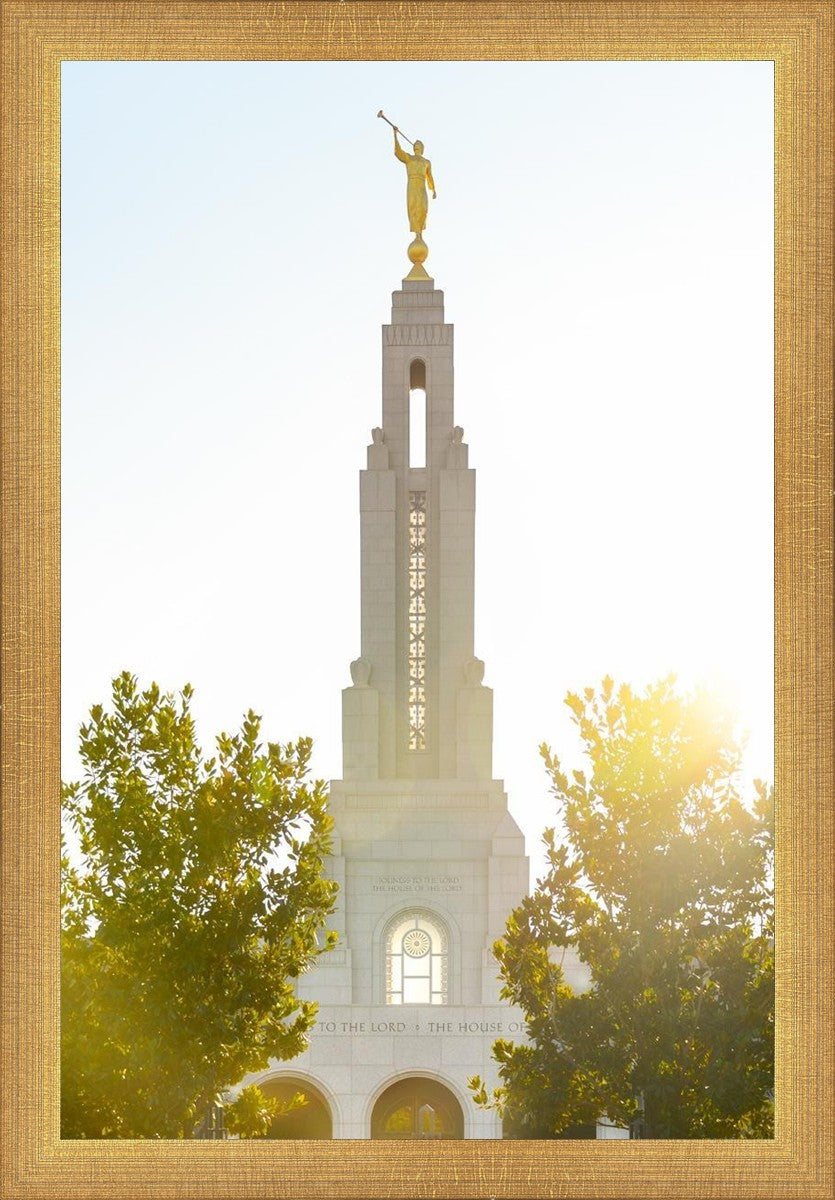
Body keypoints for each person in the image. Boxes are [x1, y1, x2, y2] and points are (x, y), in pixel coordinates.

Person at [393, 129, 437, 234]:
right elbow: (399, 152)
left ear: (422, 148)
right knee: (413, 206)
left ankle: (420, 231)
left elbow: (430, 176)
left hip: (421, 185)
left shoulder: (426, 162)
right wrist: (395, 135)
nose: (416, 145)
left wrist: (433, 190)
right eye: (415, 144)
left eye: (418, 144)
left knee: (422, 207)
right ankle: (417, 233)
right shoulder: (409, 158)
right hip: (412, 184)